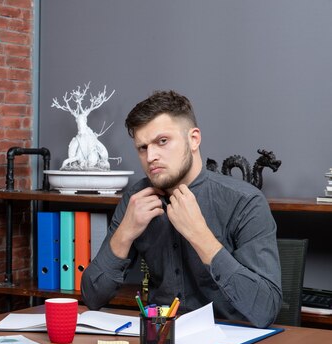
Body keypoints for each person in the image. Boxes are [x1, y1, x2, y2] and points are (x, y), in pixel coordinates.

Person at [81, 90, 282, 329]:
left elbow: (266, 309)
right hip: (160, 343)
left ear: (194, 139)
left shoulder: (245, 202)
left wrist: (200, 236)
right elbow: (92, 297)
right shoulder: (136, 200)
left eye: (162, 141)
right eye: (142, 148)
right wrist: (124, 234)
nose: (151, 156)